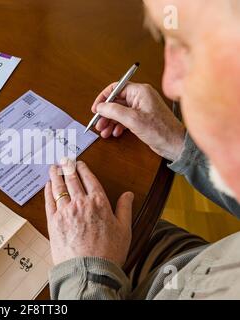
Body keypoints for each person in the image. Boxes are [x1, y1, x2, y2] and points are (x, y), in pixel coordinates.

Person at [45, 0, 240, 299]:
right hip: (195, 266)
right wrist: (178, 144)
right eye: (167, 40)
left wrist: (85, 274)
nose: (169, 83)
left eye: (193, 47)